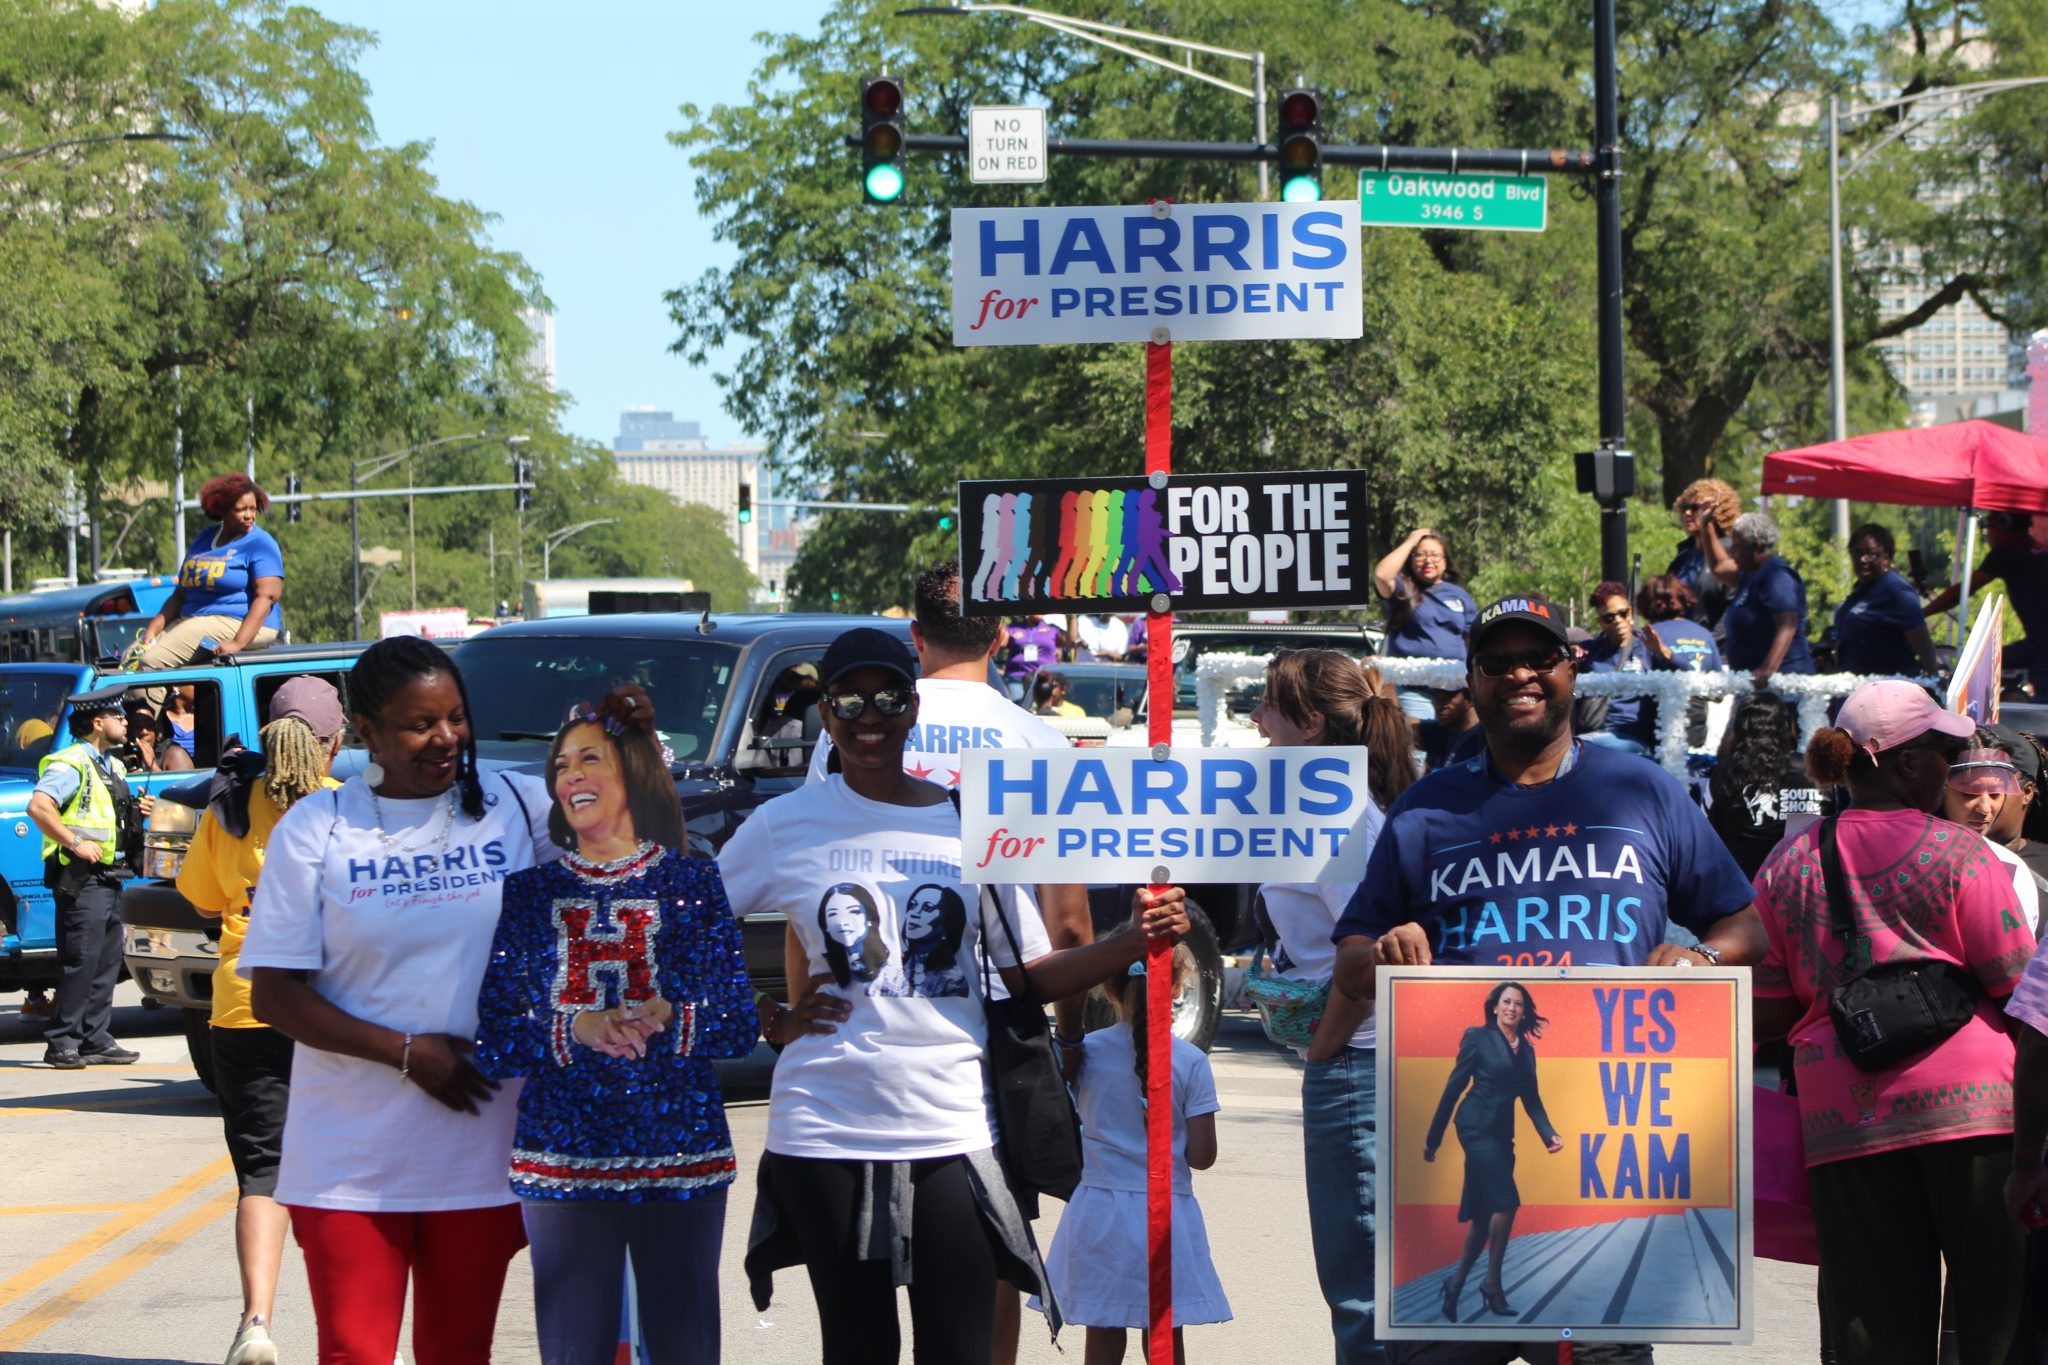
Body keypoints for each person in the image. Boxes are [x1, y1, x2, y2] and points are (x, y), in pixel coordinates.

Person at [725, 627, 1190, 1365]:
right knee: (859, 1347)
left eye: (887, 696)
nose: (868, 714)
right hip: (823, 1127)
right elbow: (683, 924)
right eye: (849, 698)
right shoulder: (785, 826)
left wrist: (1128, 941)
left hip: (951, 1123)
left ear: (913, 708)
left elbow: (1027, 974)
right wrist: (763, 1016)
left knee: (962, 1349)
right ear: (826, 714)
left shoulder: (971, 821)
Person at [1332, 596, 1763, 1365]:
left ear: (1574, 668)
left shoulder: (1644, 792)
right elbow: (1351, 958)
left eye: (1540, 658)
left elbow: (1745, 925)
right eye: (1497, 663)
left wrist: (1700, 959)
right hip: (1460, 1172)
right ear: (1471, 679)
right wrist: (1382, 951)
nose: (1520, 675)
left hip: (1609, 1154)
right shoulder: (1428, 808)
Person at [804, 564, 1097, 1364]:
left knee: (863, 1279)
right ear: (1003, 636)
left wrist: (801, 1017)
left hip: (859, 1029)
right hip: (993, 1025)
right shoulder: (1038, 738)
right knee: (989, 1247)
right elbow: (1067, 920)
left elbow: (808, 900)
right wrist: (1066, 1042)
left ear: (916, 637)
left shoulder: (848, 730)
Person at [240, 637, 556, 1365]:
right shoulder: (317, 830)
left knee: (457, 1350)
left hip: (479, 1145)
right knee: (354, 1350)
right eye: (420, 724)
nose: (446, 738)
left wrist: (625, 741)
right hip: (350, 1156)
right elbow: (275, 996)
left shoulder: (514, 805)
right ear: (366, 731)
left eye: (455, 717)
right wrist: (408, 1053)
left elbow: (626, 844)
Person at [1751, 680, 2031, 1364]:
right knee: (1997, 1313)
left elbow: (1768, 1007)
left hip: (1846, 1121)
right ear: (1905, 763)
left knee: (1869, 1324)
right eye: (1943, 751)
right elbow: (2019, 987)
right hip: (1976, 1116)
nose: (1951, 767)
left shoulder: (1785, 864)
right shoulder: (1961, 854)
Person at [475, 685, 756, 1365]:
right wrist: (575, 1028)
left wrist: (672, 1014)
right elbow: (495, 1037)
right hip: (563, 1159)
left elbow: (738, 1021)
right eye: (562, 765)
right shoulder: (529, 892)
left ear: (630, 772)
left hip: (681, 1151)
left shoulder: (693, 880)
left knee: (688, 1349)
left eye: (589, 759)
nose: (571, 776)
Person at [176, 676, 346, 1365]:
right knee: (345, 1175)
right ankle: (358, 1331)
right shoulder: (346, 809)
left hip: (243, 1006)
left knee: (262, 1172)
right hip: (333, 1012)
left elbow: (202, 898)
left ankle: (255, 1322)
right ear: (335, 742)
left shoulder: (227, 807)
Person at [1248, 649, 1409, 1364]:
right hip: (1359, 1056)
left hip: (1359, 1061)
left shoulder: (1340, 818)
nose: (1256, 720)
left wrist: (1325, 1046)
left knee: (1362, 1292)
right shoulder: (1335, 809)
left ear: (1310, 724)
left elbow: (1370, 954)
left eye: (1268, 706)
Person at [1035, 946, 1229, 1363]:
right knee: (1163, 1333)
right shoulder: (1190, 1061)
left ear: (1108, 988)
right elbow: (1202, 1156)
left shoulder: (1085, 1051)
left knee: (1103, 1330)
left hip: (1098, 1211)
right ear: (1177, 986)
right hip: (1165, 1217)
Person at [1424, 982, 1563, 1322]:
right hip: (1474, 1127)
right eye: (1506, 1002)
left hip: (1502, 1134)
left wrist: (1549, 1134)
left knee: (1484, 1216)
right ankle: (1492, 1283)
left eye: (1518, 1003)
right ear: (1495, 1007)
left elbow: (1531, 1098)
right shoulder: (1478, 1037)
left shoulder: (1525, 1050)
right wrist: (1434, 1138)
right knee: (1506, 1202)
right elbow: (1454, 1087)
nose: (1512, 1008)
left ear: (1524, 1010)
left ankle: (1455, 1284)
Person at [29, 684, 152, 1069]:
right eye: (118, 717)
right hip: (82, 877)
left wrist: (139, 812)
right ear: (98, 723)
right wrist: (74, 842)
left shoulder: (111, 765)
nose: (125, 722)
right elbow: (39, 807)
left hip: (111, 876)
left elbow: (109, 816)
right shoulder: (71, 763)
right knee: (81, 961)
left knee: (105, 962)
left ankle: (95, 1038)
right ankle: (62, 1041)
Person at [138, 472, 284, 681]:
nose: (249, 515)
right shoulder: (205, 538)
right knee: (131, 658)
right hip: (194, 618)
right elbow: (181, 594)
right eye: (241, 509)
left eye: (253, 509)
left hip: (239, 621)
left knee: (151, 662)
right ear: (221, 510)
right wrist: (153, 629)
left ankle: (146, 714)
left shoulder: (260, 543)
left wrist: (238, 643)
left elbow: (267, 597)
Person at [1706, 694, 1829, 880]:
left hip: (1741, 888)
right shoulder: (1812, 770)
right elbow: (1831, 825)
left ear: (1741, 729)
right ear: (1787, 726)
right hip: (1800, 884)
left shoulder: (1725, 772)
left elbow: (1705, 834)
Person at [1925, 512, 2048, 683]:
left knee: (1978, 666)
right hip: (2040, 642)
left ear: (2005, 524)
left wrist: (1922, 613)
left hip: (2042, 645)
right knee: (1989, 662)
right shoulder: (2034, 546)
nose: (1986, 534)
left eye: (1988, 526)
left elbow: (1961, 591)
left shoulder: (2007, 551)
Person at [1374, 529, 1479, 723]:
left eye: (1434, 555)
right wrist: (1410, 541)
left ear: (1445, 560)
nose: (1427, 560)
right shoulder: (1401, 588)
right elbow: (1381, 575)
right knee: (1419, 746)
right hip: (1414, 689)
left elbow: (1472, 636)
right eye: (1420, 554)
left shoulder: (1458, 594)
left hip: (1455, 689)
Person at [1939, 742, 2041, 935]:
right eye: (1969, 793)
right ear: (1942, 788)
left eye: (1995, 794)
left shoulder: (2010, 866)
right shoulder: (1911, 851)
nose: (1985, 809)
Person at [1580, 580, 1676, 757]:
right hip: (1594, 731)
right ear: (1600, 622)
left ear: (1630, 612)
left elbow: (1685, 672)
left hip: (1634, 738)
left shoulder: (1648, 646)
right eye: (1609, 618)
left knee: (1577, 749)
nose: (1617, 621)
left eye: (1622, 613)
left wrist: (1663, 652)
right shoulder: (1590, 650)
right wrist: (1570, 657)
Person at [1721, 511, 1816, 688]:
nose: (1731, 552)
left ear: (1756, 547)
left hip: (1783, 683)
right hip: (1751, 682)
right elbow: (1718, 566)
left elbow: (1787, 624)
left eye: (1736, 545)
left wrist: (1767, 669)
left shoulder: (1776, 575)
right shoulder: (1750, 575)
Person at [1835, 523, 1938, 677]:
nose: (1863, 560)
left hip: (1889, 689)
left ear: (1886, 558)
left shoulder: (1896, 591)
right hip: (1856, 687)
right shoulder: (1861, 589)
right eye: (1857, 553)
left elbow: (1923, 642)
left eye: (1871, 554)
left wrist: (1933, 681)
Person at [1666, 478, 1741, 635]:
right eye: (1684, 507)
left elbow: (1733, 605)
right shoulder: (1683, 556)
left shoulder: (1729, 551)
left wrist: (1711, 646)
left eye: (1695, 508)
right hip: (1681, 645)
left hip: (1716, 650)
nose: (1687, 513)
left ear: (1716, 511)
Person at [1636, 575, 1722, 673]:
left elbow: (1637, 679)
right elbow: (1719, 679)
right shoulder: (1705, 635)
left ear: (1644, 604)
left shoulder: (1648, 637)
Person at [1003, 614, 1066, 700]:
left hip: (1045, 678)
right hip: (1017, 678)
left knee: (1041, 708)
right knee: (1019, 706)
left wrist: (1072, 617)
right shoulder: (1013, 628)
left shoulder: (1052, 629)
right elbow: (1000, 643)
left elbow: (1070, 641)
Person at [1426, 687, 1485, 771]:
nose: (1439, 707)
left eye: (1446, 700)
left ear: (1469, 701)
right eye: (1437, 699)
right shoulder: (1439, 730)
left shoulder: (1486, 741)